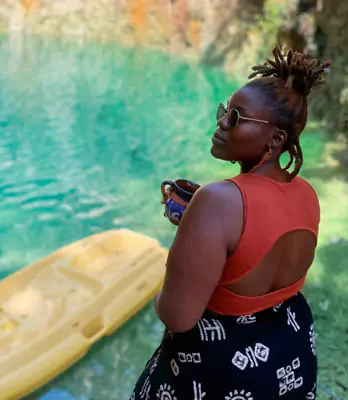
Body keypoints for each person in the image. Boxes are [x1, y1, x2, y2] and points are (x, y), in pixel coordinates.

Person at [129, 46, 331, 399]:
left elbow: (177, 315)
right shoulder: (307, 194)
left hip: (220, 372)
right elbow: (256, 255)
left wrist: (188, 240)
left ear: (276, 138)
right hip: (289, 360)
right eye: (225, 111)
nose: (221, 122)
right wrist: (200, 231)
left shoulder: (217, 201)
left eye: (236, 118)